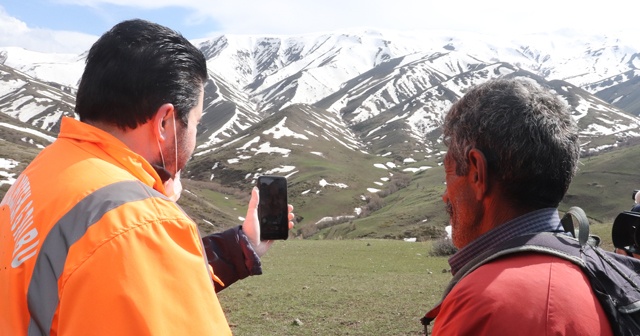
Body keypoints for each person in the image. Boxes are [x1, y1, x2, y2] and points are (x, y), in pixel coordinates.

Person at [0, 19, 293, 335]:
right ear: (165, 122)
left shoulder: (50, 165)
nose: (194, 137)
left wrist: (241, 246)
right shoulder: (137, 224)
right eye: (194, 123)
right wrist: (153, 214)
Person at [423, 78, 613, 335]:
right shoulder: (602, 271)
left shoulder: (486, 304)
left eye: (449, 176)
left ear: (478, 172)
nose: (446, 196)